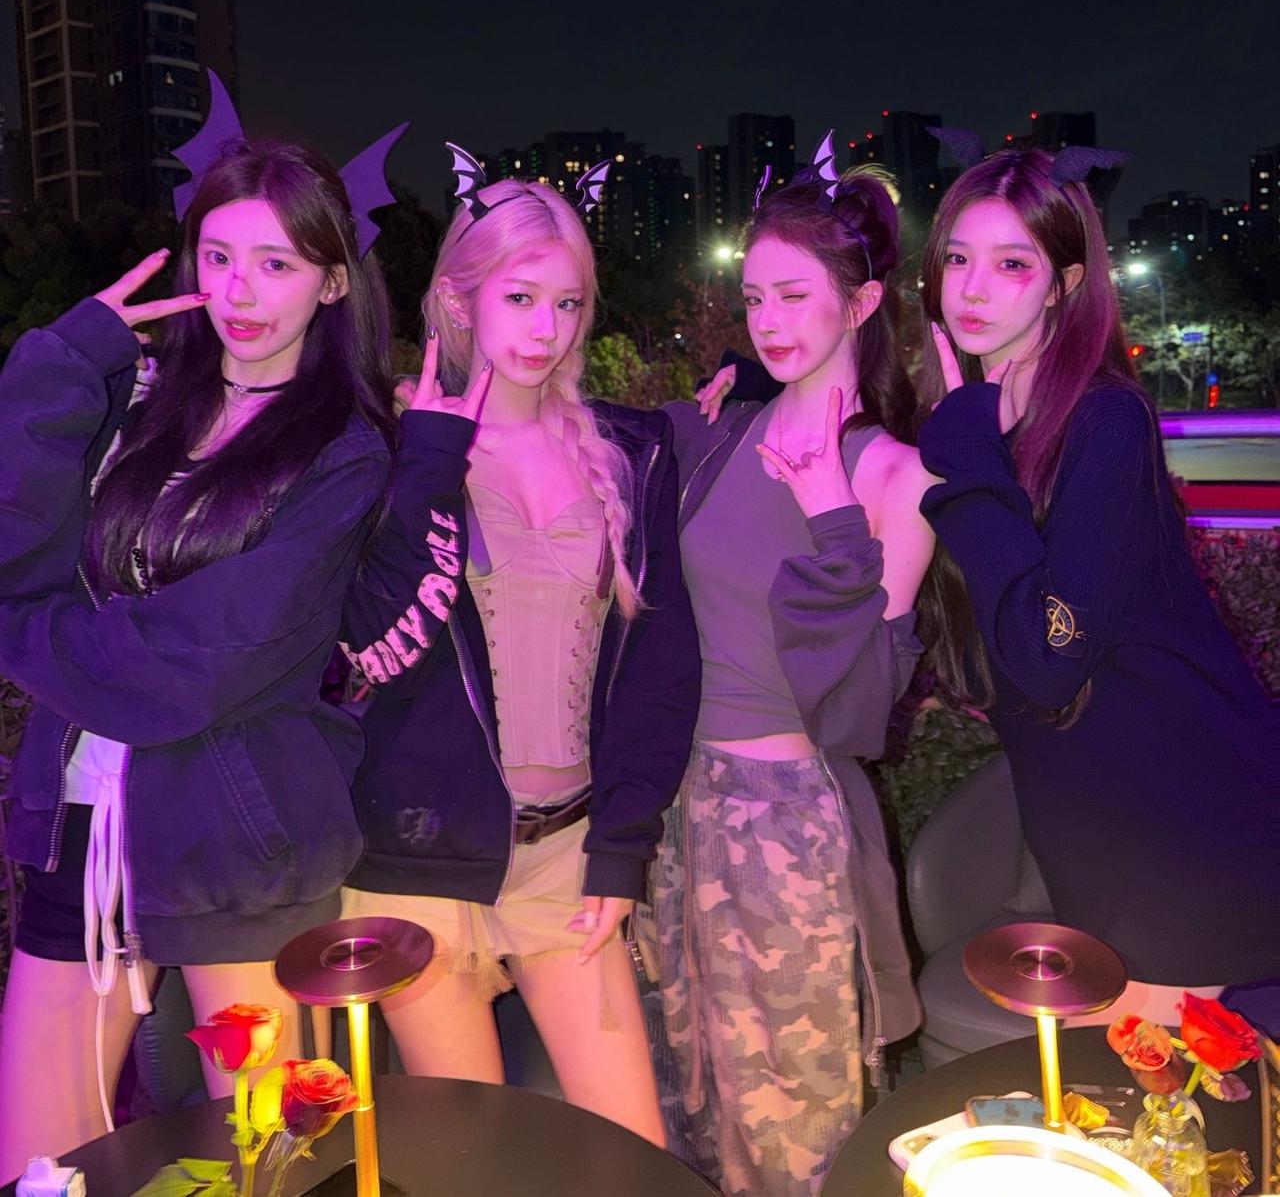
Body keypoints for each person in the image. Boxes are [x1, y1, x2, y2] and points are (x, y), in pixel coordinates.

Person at [0, 88, 401, 1179]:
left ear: (331, 282)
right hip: (82, 826)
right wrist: (63, 359)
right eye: (217, 258)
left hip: (236, 843)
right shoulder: (137, 406)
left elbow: (195, 662)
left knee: (269, 1159)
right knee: (40, 1166)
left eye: (276, 264)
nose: (238, 291)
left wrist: (29, 635)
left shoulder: (341, 451)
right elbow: (16, 549)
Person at [339, 149, 700, 1146]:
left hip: (569, 853)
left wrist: (621, 848)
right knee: (471, 1159)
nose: (545, 329)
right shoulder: (388, 449)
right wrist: (426, 470)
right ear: (459, 302)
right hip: (413, 856)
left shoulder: (631, 453)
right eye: (520, 298)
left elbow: (661, 672)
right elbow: (359, 646)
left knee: (633, 1150)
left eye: (567, 304)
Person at [916, 144, 1279, 1018]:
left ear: (1063, 283)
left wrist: (964, 457)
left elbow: (1048, 657)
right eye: (957, 259)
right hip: (1091, 823)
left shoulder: (1103, 419)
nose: (973, 289)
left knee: (1154, 1089)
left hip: (1180, 822)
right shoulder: (992, 425)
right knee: (1145, 1088)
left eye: (1012, 264)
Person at [641, 140, 935, 1197]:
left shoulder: (894, 474)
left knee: (796, 1125)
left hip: (787, 825)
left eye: (794, 295)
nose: (767, 320)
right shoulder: (724, 434)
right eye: (754, 296)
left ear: (861, 304)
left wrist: (832, 522)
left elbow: (860, 711)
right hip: (680, 806)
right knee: (695, 1098)